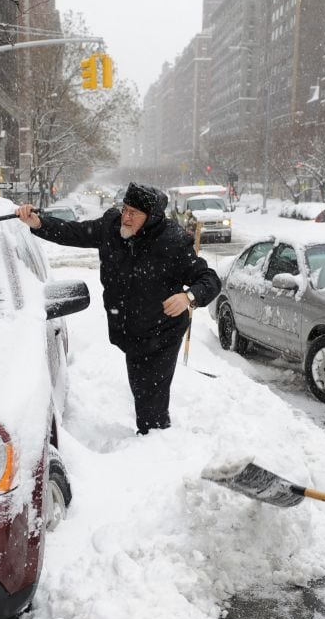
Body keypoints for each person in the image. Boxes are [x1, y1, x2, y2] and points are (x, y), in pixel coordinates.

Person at [17, 183, 220, 434]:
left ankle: (155, 443)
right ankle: (152, 435)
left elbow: (210, 279)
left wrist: (188, 297)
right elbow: (75, 232)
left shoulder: (172, 242)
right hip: (130, 331)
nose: (126, 217)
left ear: (151, 217)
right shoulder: (112, 227)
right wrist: (39, 223)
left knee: (151, 400)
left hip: (162, 333)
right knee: (141, 391)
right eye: (125, 209)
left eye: (134, 213)